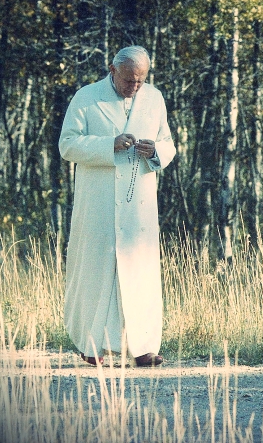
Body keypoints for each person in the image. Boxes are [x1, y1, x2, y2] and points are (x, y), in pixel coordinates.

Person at [59, 45, 176, 367]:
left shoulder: (154, 98)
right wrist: (107, 145)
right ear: (112, 70)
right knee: (97, 271)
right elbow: (67, 145)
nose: (134, 86)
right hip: (97, 200)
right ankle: (91, 345)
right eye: (128, 80)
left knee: (141, 270)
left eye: (140, 80)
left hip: (138, 201)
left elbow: (168, 144)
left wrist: (155, 151)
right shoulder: (86, 97)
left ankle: (144, 348)